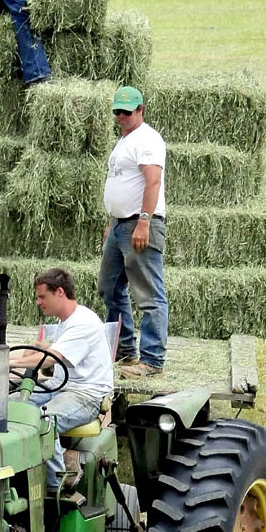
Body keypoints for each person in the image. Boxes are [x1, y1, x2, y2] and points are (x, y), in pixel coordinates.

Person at [10, 268, 114, 493]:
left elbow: (53, 358)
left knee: (44, 419)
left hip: (86, 395)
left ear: (59, 292)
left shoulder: (83, 322)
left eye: (42, 297)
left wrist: (8, 363)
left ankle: (57, 484)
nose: (38, 302)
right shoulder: (66, 321)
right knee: (11, 408)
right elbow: (56, 349)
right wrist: (38, 346)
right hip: (61, 388)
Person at [98, 85, 168, 378]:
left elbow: (152, 182)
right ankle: (125, 351)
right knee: (109, 288)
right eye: (117, 111)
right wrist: (112, 223)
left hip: (138, 224)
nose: (121, 116)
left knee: (148, 293)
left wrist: (143, 221)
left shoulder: (147, 139)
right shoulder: (125, 141)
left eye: (127, 111)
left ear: (141, 110)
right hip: (120, 225)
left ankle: (152, 360)